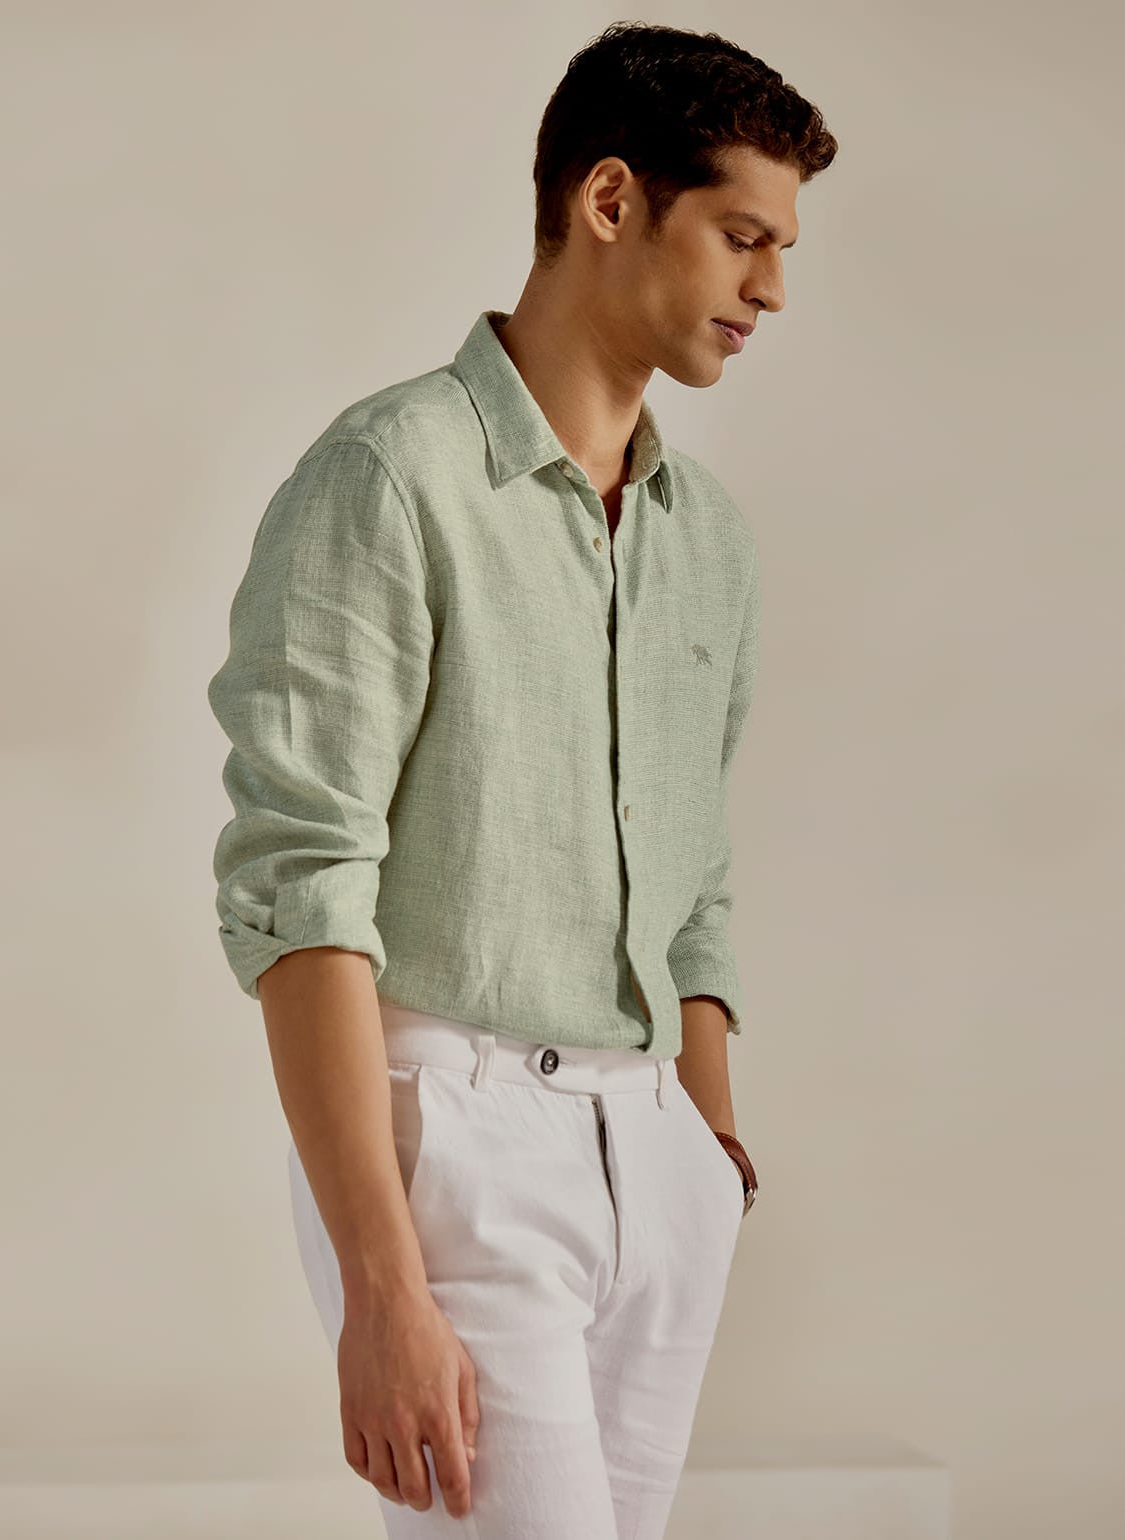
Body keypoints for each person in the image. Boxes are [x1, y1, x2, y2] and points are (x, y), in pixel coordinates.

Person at [207, 20, 836, 1538]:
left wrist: (708, 1145)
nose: (771, 290)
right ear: (611, 200)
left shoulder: (707, 539)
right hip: (458, 1145)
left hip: (658, 1160)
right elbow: (301, 889)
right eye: (742, 236)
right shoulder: (389, 478)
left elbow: (695, 876)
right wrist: (381, 1288)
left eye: (783, 249)